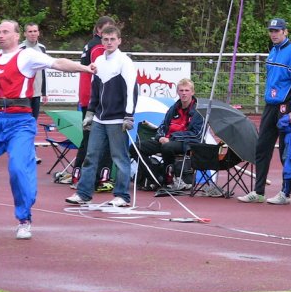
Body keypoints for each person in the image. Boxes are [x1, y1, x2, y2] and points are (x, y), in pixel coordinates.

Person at [0, 19, 95, 240]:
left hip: (19, 121)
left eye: (5, 32)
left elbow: (58, 63)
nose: (0, 35)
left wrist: (85, 68)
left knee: (19, 169)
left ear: (17, 36)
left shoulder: (27, 56)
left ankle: (24, 220)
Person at [237, 18, 291, 204]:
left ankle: (285, 193)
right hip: (270, 105)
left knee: (285, 151)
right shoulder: (273, 51)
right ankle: (258, 191)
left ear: (285, 31)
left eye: (277, 31)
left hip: (286, 106)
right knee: (262, 147)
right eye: (271, 31)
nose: (274, 34)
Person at [65, 25, 138, 207]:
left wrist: (129, 116)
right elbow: (95, 89)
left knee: (120, 158)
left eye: (112, 39)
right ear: (101, 40)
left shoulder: (125, 62)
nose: (109, 42)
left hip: (117, 119)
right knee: (91, 156)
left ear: (119, 41)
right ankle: (83, 193)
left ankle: (122, 196)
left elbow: (131, 90)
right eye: (106, 39)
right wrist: (90, 112)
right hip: (99, 118)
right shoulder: (98, 60)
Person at [130, 78, 203, 189]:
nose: (184, 93)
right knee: (135, 147)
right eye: (181, 90)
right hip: (165, 140)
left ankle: (169, 178)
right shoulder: (173, 108)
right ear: (177, 92)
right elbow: (163, 125)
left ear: (192, 92)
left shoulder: (199, 111)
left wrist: (172, 138)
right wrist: (160, 137)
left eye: (187, 90)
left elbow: (196, 134)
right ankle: (155, 178)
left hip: (186, 143)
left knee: (167, 147)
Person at [71, 16, 116, 189]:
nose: (109, 35)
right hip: (96, 98)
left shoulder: (90, 44)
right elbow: (101, 72)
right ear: (98, 30)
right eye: (107, 29)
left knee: (88, 137)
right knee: (102, 138)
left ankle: (78, 174)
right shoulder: (98, 47)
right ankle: (100, 177)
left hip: (88, 97)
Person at [19, 22, 47, 164]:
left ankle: (29, 151)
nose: (33, 34)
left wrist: (44, 91)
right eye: (30, 31)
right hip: (24, 94)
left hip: (36, 93)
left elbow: (44, 70)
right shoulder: (20, 49)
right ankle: (26, 152)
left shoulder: (42, 48)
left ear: (38, 32)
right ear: (25, 34)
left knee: (32, 123)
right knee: (23, 123)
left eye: (35, 31)